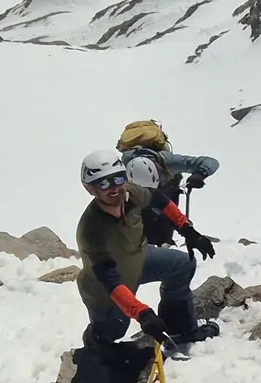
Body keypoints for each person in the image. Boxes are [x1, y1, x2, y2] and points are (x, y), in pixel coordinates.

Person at [74, 149, 220, 350]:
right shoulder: (91, 229)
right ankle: (94, 344)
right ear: (90, 189)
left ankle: (179, 330)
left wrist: (188, 231)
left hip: (140, 259)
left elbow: (159, 200)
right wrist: (142, 313)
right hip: (105, 291)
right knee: (113, 330)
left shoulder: (132, 194)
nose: (114, 188)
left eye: (118, 178)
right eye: (104, 183)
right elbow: (110, 281)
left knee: (183, 265)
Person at [115, 120, 220, 247]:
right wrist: (200, 174)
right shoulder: (167, 161)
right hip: (166, 208)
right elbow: (210, 162)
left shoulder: (120, 165)